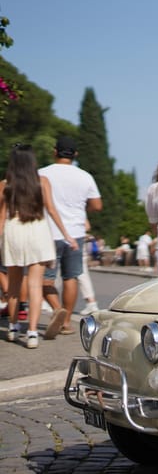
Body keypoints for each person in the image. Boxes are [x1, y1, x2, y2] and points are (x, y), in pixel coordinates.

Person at [1, 144, 78, 348]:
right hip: (37, 231)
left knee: (14, 287)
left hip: (14, 231)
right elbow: (52, 210)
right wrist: (67, 235)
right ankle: (33, 332)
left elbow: (1, 218)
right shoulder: (42, 182)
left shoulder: (4, 184)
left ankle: (13, 327)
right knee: (35, 286)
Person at [39, 135, 103, 337]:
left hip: (48, 232)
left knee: (43, 280)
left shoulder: (42, 173)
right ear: (75, 154)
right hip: (75, 233)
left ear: (54, 151)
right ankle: (66, 322)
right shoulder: (85, 176)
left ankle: (57, 308)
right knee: (71, 277)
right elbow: (97, 205)